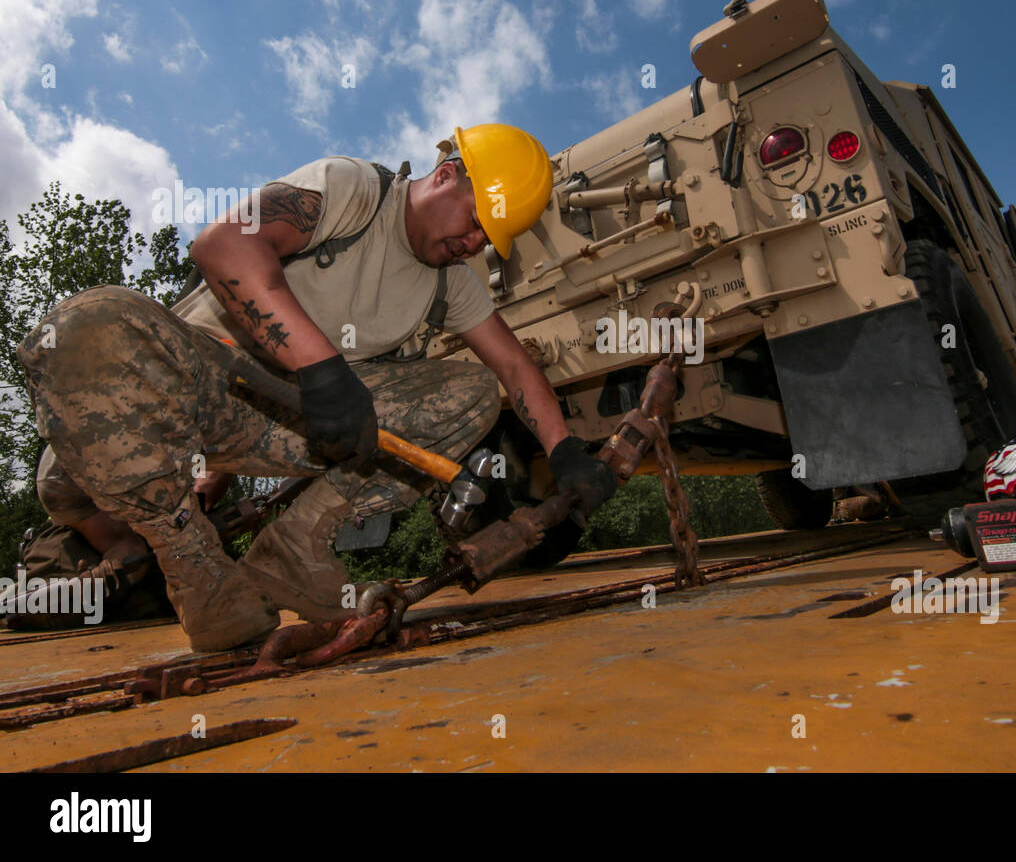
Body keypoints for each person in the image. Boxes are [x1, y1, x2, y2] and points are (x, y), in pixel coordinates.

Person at [17, 124, 618, 650]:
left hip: (279, 418)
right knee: (84, 326)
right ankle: (193, 564)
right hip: (188, 383)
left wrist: (564, 451)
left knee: (472, 395)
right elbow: (222, 245)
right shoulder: (353, 189)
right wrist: (321, 367)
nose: (474, 244)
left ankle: (294, 553)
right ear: (448, 175)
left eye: (489, 239)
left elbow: (515, 369)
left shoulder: (450, 284)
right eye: (476, 222)